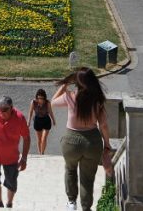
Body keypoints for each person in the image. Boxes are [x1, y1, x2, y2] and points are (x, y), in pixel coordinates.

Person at [52, 67, 111, 211]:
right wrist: (107, 145)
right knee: (87, 178)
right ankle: (86, 207)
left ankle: (71, 203)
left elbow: (52, 103)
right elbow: (103, 125)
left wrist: (64, 86)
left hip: (71, 141)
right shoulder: (98, 100)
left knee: (70, 170)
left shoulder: (69, 96)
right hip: (92, 142)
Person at [0, 95, 30, 208]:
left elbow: (26, 138)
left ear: (11, 108)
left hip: (11, 158)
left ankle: (9, 203)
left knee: (11, 182)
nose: (2, 112)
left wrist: (24, 158)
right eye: (0, 109)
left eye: (5, 110)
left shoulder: (19, 118)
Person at [28, 88, 56, 154]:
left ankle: (42, 153)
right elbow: (30, 112)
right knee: (39, 139)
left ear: (44, 98)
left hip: (46, 120)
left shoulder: (47, 102)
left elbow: (50, 112)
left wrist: (53, 120)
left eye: (42, 98)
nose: (40, 100)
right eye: (39, 98)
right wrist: (28, 121)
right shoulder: (33, 102)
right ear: (37, 97)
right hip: (37, 120)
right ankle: (39, 152)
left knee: (44, 139)